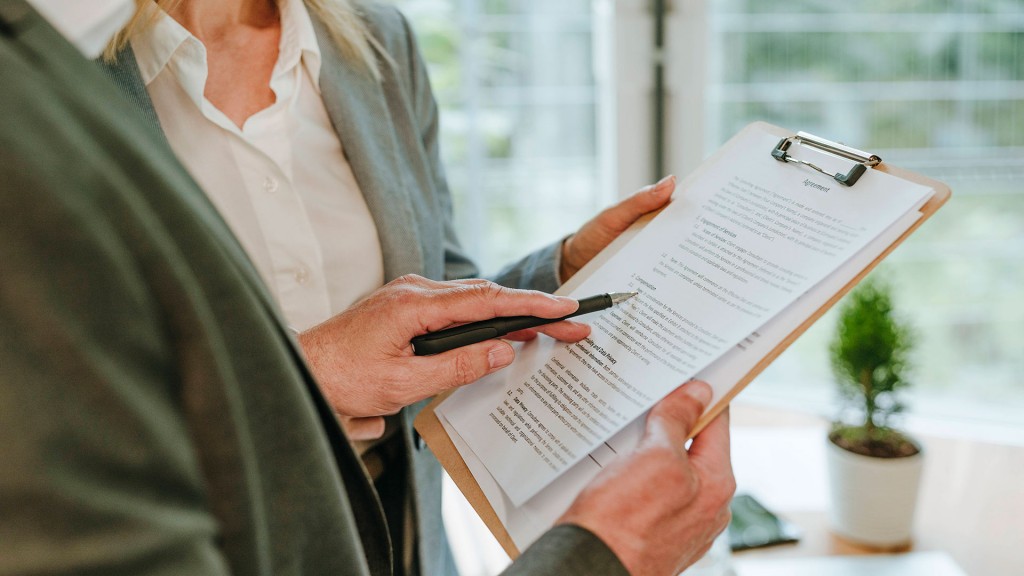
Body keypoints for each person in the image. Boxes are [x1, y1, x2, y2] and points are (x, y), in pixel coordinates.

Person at [0, 0, 735, 574]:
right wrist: (311, 373)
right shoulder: (45, 82)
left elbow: (433, 295)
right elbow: (62, 415)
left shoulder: (377, 42)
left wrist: (567, 270)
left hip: (401, 541)